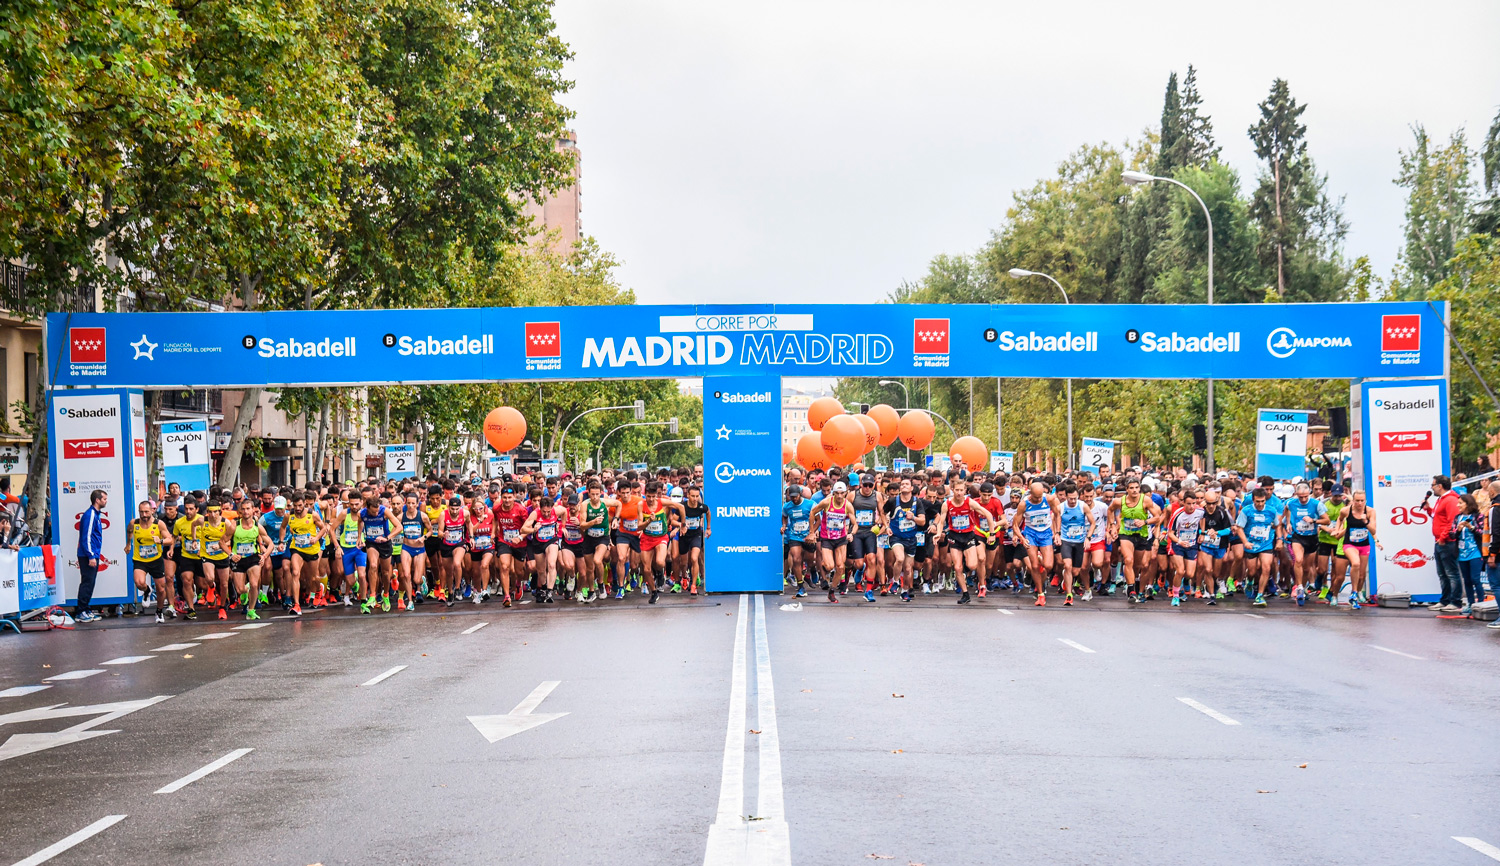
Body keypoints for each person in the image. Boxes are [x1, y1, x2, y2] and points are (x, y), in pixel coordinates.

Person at [1329, 488, 1379, 609]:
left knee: (1361, 575)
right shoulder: (1346, 510)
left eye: (1362, 501)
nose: (1359, 503)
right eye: (1357, 501)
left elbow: (1373, 530)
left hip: (1364, 545)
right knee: (1350, 568)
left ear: (1365, 501)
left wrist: (1365, 521)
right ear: (1353, 500)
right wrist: (1336, 529)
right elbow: (1340, 519)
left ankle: (1356, 593)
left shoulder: (1370, 511)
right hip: (1349, 544)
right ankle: (1336, 595)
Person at [127, 500, 175, 623]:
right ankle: (147, 590)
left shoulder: (159, 524)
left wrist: (161, 541)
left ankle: (159, 611)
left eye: (146, 512)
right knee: (139, 582)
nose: (144, 515)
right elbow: (129, 531)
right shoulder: (134, 523)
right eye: (141, 512)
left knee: (160, 589)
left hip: (155, 560)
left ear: (152, 511)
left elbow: (170, 539)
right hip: (140, 559)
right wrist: (128, 544)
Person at [1235, 487, 1281, 607]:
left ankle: (1260, 595)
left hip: (1266, 543)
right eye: (1257, 502)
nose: (1260, 504)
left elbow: (1277, 525)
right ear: (1253, 500)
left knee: (1266, 567)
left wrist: (1280, 540)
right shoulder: (1246, 511)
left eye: (1262, 501)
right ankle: (1249, 581)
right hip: (1251, 544)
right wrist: (1245, 542)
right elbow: (1239, 528)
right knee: (1252, 571)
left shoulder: (1271, 511)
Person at [1426, 475, 1463, 612]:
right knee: (1442, 573)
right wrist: (1429, 509)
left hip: (1447, 542)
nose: (1432, 487)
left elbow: (1452, 521)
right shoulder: (1442, 500)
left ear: (1440, 486)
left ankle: (1455, 601)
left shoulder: (1451, 500)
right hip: (1440, 541)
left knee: (1451, 573)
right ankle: (1445, 599)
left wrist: (1443, 537)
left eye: (1433, 485)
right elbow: (1438, 517)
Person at [75, 489, 107, 623]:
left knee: (90, 582)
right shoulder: (91, 515)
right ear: (97, 500)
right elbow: (86, 537)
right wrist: (90, 555)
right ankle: (80, 612)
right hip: (88, 555)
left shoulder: (96, 514)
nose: (106, 501)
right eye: (104, 499)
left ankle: (86, 609)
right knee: (87, 583)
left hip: (92, 553)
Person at [1455, 493, 1485, 615]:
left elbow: (1483, 532)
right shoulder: (1457, 518)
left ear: (1468, 504)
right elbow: (1452, 534)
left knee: (1475, 579)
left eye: (1461, 503)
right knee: (1466, 580)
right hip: (1462, 553)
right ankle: (1470, 603)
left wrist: (1471, 527)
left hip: (1475, 552)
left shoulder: (1478, 516)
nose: (1458, 505)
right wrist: (1457, 531)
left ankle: (1481, 603)